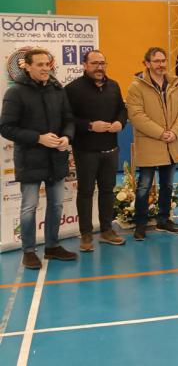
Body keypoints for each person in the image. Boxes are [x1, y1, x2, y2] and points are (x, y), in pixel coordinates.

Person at [0, 49, 77, 269]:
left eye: (48, 64)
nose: (45, 68)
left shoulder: (57, 89)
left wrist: (66, 137)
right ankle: (29, 251)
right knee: (29, 208)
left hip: (56, 159)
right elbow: (6, 128)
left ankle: (52, 246)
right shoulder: (15, 93)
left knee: (56, 205)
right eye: (40, 65)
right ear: (28, 66)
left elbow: (69, 119)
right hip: (30, 160)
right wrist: (38, 138)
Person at [65, 50, 127, 251]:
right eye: (94, 63)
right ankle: (86, 234)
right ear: (84, 65)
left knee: (108, 191)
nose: (99, 67)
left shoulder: (114, 85)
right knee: (85, 192)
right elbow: (66, 119)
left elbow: (122, 109)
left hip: (110, 149)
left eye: (102, 63)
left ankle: (107, 230)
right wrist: (90, 126)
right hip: (86, 151)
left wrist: (120, 122)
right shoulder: (73, 89)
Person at [126, 47, 178, 240]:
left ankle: (163, 220)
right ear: (146, 63)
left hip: (171, 144)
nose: (161, 64)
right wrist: (162, 133)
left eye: (163, 60)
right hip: (150, 144)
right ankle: (141, 224)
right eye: (156, 61)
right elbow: (137, 116)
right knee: (144, 186)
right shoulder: (135, 87)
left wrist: (175, 132)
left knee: (167, 185)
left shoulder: (175, 84)